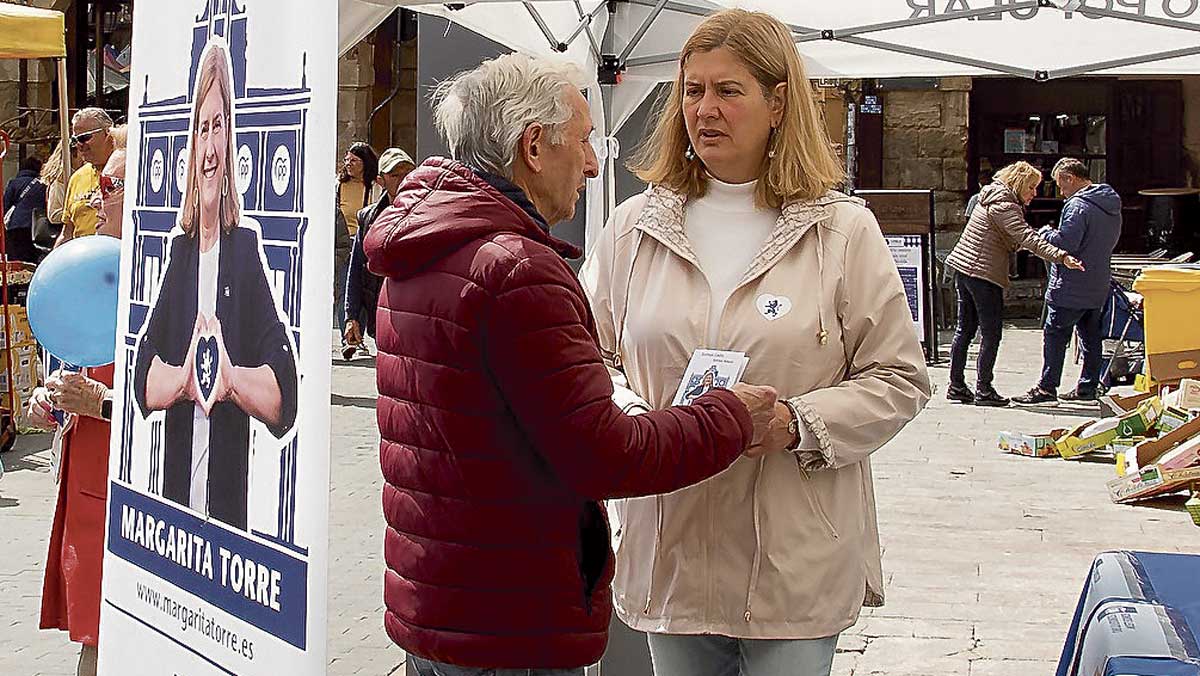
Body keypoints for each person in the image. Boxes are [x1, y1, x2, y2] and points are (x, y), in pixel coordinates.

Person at [363, 52, 781, 675]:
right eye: (584, 141)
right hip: (509, 620)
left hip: (437, 603)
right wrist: (730, 417)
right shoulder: (516, 270)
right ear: (534, 147)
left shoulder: (423, 244)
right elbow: (604, 456)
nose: (592, 163)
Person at [581, 10, 932, 676]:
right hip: (674, 550)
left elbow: (899, 378)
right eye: (692, 90)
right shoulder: (633, 227)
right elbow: (590, 358)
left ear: (778, 102)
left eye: (728, 91)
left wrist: (797, 423)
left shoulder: (842, 232)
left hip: (795, 561)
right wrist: (641, 422)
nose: (704, 109)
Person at [132, 41, 298, 531]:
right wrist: (183, 381)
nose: (209, 146)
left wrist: (231, 382)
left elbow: (283, 391)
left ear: (231, 142)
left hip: (227, 516)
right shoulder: (180, 252)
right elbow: (145, 369)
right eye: (201, 128)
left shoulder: (244, 251)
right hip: (175, 514)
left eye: (219, 126)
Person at [29, 127, 127, 676]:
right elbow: (71, 369)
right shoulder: (91, 266)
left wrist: (103, 403)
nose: (93, 193)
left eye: (108, 183)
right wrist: (54, 398)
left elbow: (186, 403)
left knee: (113, 639)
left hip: (133, 495)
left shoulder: (169, 283)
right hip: (88, 480)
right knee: (93, 640)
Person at [945, 161, 1085, 407]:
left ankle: (956, 385)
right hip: (982, 273)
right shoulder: (1005, 204)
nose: (1034, 194)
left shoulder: (991, 196)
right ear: (1019, 183)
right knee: (991, 333)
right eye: (1031, 187)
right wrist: (1061, 256)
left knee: (964, 330)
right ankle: (984, 390)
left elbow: (1011, 238)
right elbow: (1026, 237)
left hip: (964, 267)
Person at [1013, 158, 1122, 405]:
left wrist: (1045, 232)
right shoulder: (1110, 204)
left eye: (1061, 185)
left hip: (1072, 284)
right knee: (1091, 336)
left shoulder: (1078, 207)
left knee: (1055, 334)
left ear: (1070, 178)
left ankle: (1046, 387)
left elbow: (1066, 243)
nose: (1060, 192)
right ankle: (1088, 387)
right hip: (1098, 281)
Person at [342, 146, 415, 358]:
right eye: (394, 175)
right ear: (381, 181)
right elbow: (356, 268)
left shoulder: (427, 211)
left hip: (414, 316)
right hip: (382, 313)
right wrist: (351, 316)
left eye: (407, 173)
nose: (403, 180)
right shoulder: (369, 218)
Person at [336, 142, 378, 340]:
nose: (349, 164)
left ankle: (358, 333)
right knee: (345, 290)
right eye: (347, 160)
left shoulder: (374, 188)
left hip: (366, 245)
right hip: (344, 246)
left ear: (365, 163)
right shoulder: (339, 186)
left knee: (363, 291)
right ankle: (348, 335)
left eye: (354, 160)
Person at [58, 108, 116, 246]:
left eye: (84, 138)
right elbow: (67, 232)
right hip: (82, 261)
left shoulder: (125, 171)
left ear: (108, 133)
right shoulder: (77, 178)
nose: (79, 145)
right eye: (75, 140)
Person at [2, 155, 45, 262]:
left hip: (15, 225)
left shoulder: (14, 183)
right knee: (32, 259)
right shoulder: (42, 184)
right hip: (36, 228)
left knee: (16, 259)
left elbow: (4, 205)